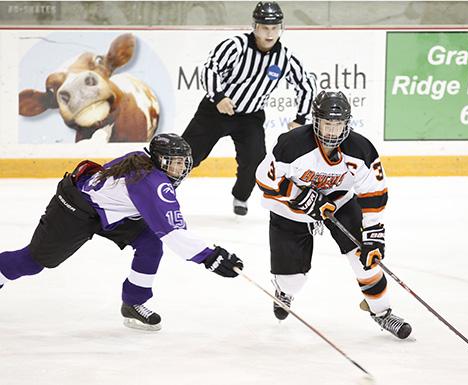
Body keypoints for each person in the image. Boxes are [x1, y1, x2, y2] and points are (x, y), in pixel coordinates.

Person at [0, 133, 244, 331]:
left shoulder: (141, 157)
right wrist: (210, 257)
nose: (181, 168)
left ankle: (133, 302)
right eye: (175, 161)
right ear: (159, 159)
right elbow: (173, 232)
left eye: (183, 161)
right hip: (74, 210)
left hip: (110, 212)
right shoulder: (153, 183)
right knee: (34, 261)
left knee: (150, 242)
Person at [255, 91, 412, 339]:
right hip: (291, 211)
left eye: (338, 124)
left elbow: (374, 193)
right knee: (292, 281)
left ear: (346, 123)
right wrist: (301, 195)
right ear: (316, 121)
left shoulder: (361, 149)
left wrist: (374, 233)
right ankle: (283, 290)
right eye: (327, 123)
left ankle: (382, 312)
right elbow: (265, 179)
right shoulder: (291, 144)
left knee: (365, 256)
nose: (332, 131)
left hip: (340, 201)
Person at [182, 1, 316, 216]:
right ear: (255, 27)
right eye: (265, 27)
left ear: (282, 28)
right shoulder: (235, 46)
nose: (270, 33)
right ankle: (163, 189)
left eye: (275, 28)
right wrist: (218, 97)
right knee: (187, 153)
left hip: (250, 118)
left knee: (255, 159)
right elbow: (210, 68)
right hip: (215, 112)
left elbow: (306, 85)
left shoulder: (285, 59)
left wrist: (300, 118)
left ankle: (241, 196)